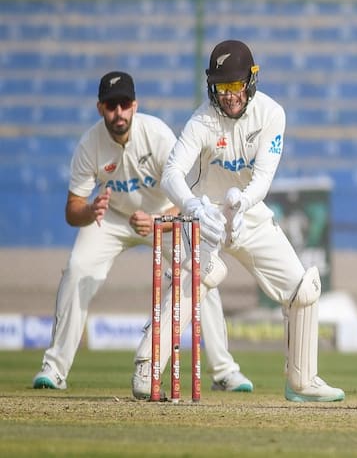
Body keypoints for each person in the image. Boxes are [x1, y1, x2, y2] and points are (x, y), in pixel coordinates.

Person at [131, 40, 344, 402]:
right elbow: (171, 174)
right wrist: (195, 207)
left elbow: (263, 178)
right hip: (205, 215)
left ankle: (303, 381)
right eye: (222, 88)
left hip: (249, 212)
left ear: (251, 81)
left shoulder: (272, 114)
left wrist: (243, 202)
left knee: (302, 289)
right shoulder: (202, 119)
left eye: (236, 86)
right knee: (199, 277)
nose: (229, 96)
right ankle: (147, 365)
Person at [32, 71, 253, 395]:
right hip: (110, 218)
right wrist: (91, 210)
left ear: (134, 106)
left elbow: (190, 192)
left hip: (165, 215)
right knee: (78, 269)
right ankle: (54, 368)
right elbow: (72, 210)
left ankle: (223, 371)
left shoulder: (157, 135)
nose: (118, 112)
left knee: (200, 271)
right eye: (110, 106)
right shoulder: (89, 145)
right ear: (100, 108)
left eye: (123, 104)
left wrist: (158, 219)